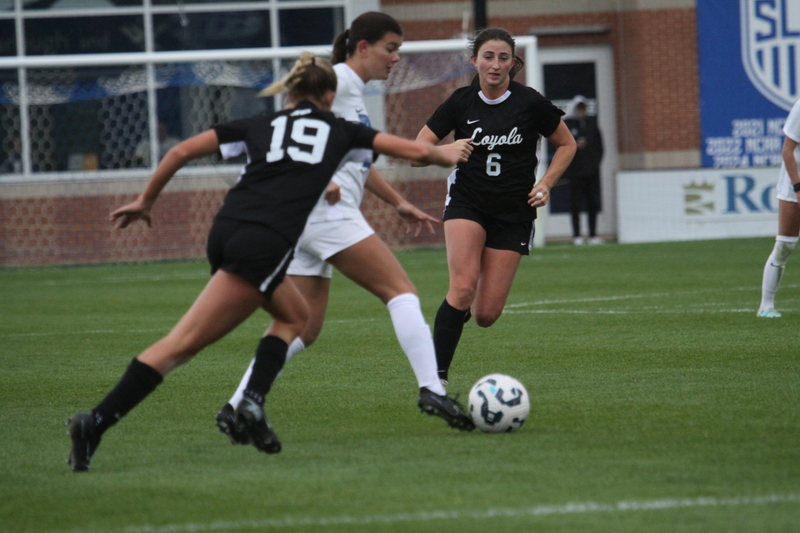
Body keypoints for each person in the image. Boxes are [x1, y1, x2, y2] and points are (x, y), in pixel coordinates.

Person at [67, 52, 471, 472]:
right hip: (261, 242)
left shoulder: (259, 125)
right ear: (329, 95)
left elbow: (182, 151)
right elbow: (410, 151)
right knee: (181, 345)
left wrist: (145, 200)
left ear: (290, 94)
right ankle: (94, 422)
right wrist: (446, 154)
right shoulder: (340, 129)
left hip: (227, 228)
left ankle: (251, 403)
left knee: (296, 316)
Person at [215, 12, 477, 442]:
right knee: (402, 292)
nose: (396, 59)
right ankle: (432, 389)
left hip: (306, 220)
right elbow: (290, 128)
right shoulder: (334, 83)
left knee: (304, 327)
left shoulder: (351, 92)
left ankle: (239, 402)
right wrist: (324, 180)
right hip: (324, 215)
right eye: (391, 49)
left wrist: (397, 202)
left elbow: (354, 155)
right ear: (363, 48)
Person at [414, 27, 576, 388]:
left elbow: (567, 145)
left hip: (514, 211)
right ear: (474, 60)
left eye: (504, 57)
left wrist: (545, 184)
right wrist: (445, 153)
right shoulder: (460, 101)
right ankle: (434, 381)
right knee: (462, 288)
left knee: (486, 314)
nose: (495, 64)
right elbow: (416, 152)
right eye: (488, 56)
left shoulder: (530, 102)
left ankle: (457, 317)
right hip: (467, 202)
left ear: (512, 63)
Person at [757, 97, 800, 318]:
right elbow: (787, 151)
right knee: (785, 245)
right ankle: (766, 305)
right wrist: (798, 187)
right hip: (794, 185)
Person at [564, 95, 604, 245]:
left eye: (583, 109)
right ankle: (577, 236)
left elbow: (600, 147)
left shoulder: (592, 125)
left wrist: (595, 164)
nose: (581, 112)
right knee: (575, 204)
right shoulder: (567, 125)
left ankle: (593, 234)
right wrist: (574, 146)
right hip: (575, 172)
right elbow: (560, 145)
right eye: (578, 109)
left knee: (592, 203)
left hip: (592, 172)